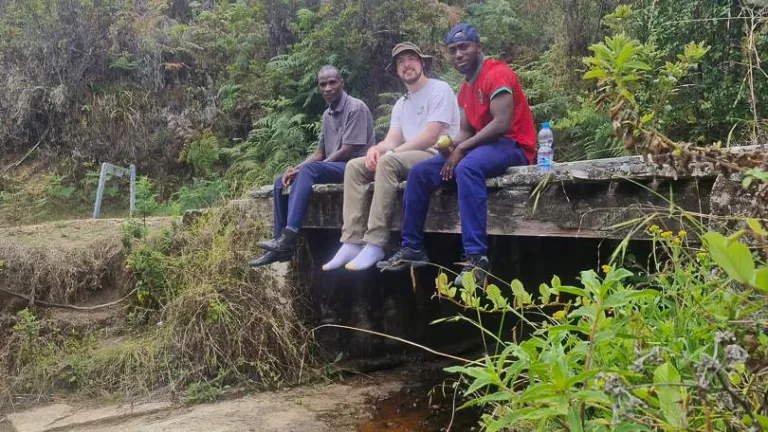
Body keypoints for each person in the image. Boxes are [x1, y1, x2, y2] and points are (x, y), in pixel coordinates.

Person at [378, 23, 536, 287]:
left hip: (513, 145)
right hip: (483, 148)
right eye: (453, 50)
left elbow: (502, 124)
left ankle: (476, 259)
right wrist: (449, 146)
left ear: (478, 48)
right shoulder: (464, 88)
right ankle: (412, 247)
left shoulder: (496, 73)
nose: (458, 54)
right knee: (420, 172)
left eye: (464, 47)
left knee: (467, 168)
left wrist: (461, 150)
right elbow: (465, 131)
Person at [322, 42, 460, 271]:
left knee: (388, 162)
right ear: (397, 70)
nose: (407, 65)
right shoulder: (401, 103)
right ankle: (351, 240)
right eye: (400, 62)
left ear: (422, 62)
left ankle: (375, 243)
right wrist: (376, 149)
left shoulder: (439, 89)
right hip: (409, 155)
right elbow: (392, 140)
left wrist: (391, 153)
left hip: (437, 155)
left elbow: (429, 137)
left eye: (411, 59)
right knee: (355, 167)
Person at [248, 65, 375, 267]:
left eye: (332, 82)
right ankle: (280, 244)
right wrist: (295, 169)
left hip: (356, 168)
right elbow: (319, 153)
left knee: (309, 170)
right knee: (281, 180)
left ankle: (290, 234)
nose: (328, 88)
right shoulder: (327, 114)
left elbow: (347, 149)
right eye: (323, 84)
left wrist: (313, 168)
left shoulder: (355, 107)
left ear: (341, 83)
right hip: (334, 167)